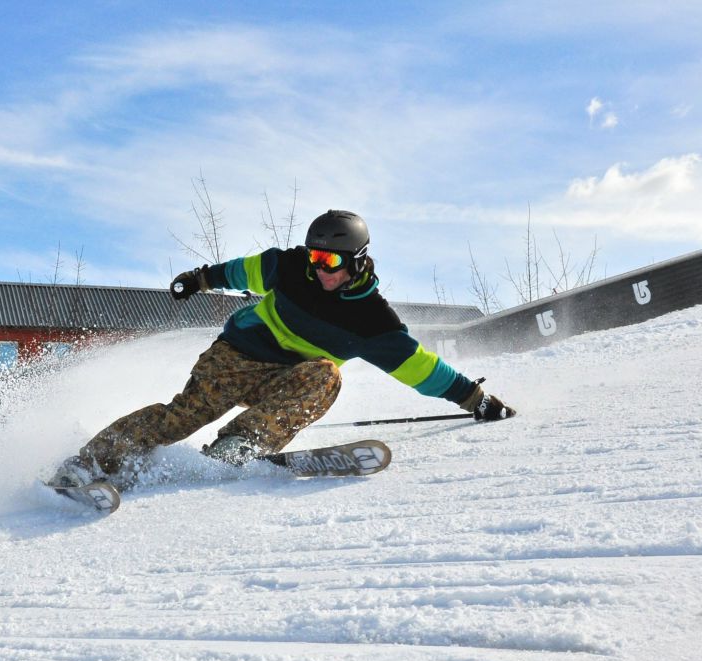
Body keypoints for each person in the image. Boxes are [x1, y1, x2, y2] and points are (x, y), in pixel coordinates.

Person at [50, 209, 515, 490]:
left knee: (327, 375)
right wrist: (201, 278)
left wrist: (475, 400)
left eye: (329, 261)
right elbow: (242, 270)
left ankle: (238, 445)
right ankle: (87, 463)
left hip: (285, 379)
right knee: (181, 417)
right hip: (235, 355)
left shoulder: (373, 322)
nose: (318, 268)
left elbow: (420, 368)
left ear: (357, 262)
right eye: (313, 257)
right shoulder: (289, 267)